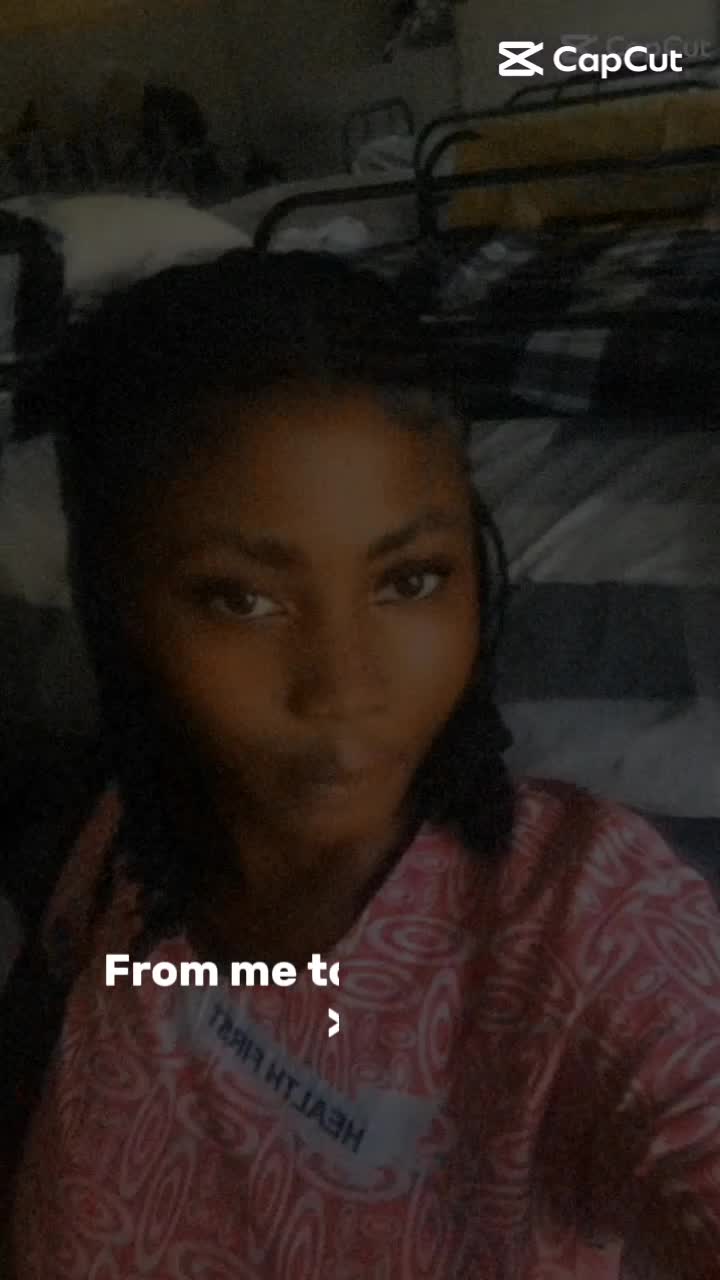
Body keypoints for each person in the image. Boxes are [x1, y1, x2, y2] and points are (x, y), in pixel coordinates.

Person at [1, 250, 719, 1278]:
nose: (344, 686)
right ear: (121, 608)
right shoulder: (107, 858)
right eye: (243, 599)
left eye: (410, 579)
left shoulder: (588, 916)